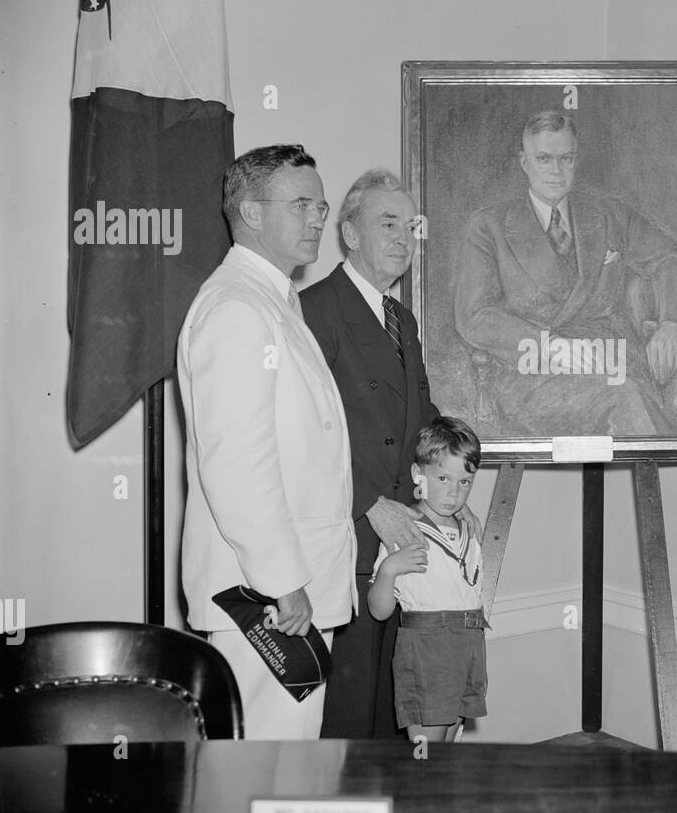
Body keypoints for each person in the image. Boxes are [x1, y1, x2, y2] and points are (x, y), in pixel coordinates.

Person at [177, 143, 356, 739]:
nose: (318, 218)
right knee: (265, 770)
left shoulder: (273, 300)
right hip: (266, 596)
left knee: (284, 767)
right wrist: (281, 582)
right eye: (301, 203)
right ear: (250, 213)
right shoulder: (237, 309)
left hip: (287, 588)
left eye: (321, 205)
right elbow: (237, 464)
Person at [300, 169, 475, 739]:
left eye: (410, 225)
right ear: (349, 234)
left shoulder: (402, 319)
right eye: (387, 223)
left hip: (404, 550)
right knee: (347, 722)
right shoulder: (314, 309)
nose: (403, 237)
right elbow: (299, 437)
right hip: (349, 545)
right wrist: (369, 501)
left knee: (393, 714)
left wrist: (449, 494)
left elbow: (421, 426)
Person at [454, 109, 677, 436]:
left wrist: (673, 324)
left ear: (576, 161)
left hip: (613, 363)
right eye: (544, 159)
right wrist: (552, 347)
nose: (556, 171)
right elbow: (475, 316)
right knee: (628, 398)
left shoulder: (607, 214)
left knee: (629, 392)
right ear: (524, 163)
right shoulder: (489, 226)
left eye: (566, 159)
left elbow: (673, 259)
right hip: (535, 377)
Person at [368, 417, 486, 744]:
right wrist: (389, 569)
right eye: (443, 478)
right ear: (419, 476)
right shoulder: (405, 531)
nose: (454, 492)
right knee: (426, 744)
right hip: (426, 648)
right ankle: (418, 791)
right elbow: (379, 611)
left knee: (450, 738)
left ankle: (437, 793)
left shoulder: (469, 529)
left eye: (465, 482)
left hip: (466, 646)